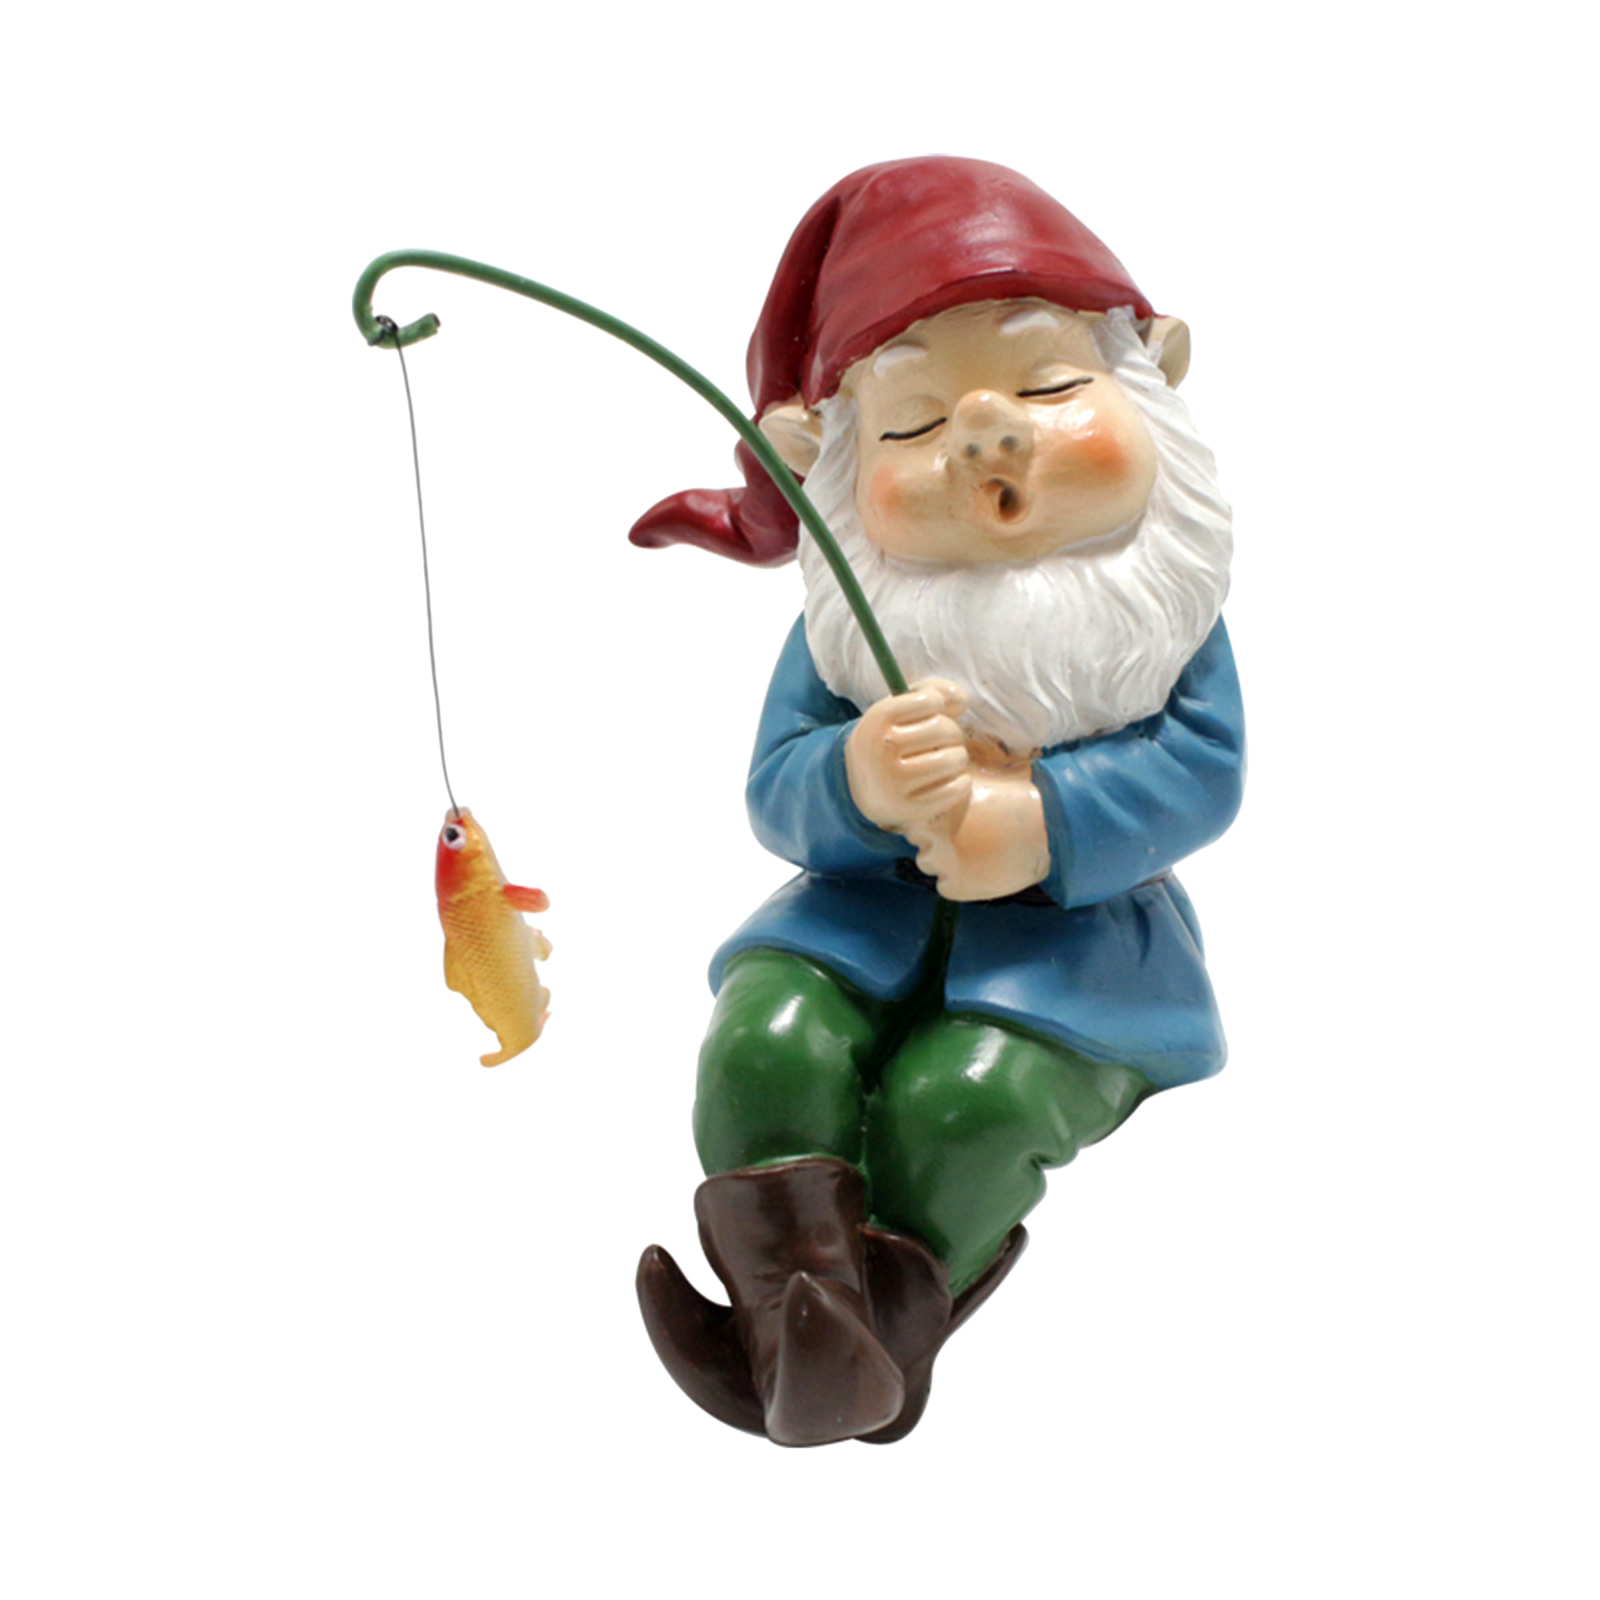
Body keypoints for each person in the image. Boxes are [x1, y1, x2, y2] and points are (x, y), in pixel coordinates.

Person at [630, 157, 1244, 1446]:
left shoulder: (1157, 612)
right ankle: (787, 1315)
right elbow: (777, 788)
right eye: (910, 426)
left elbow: (1201, 770)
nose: (984, 439)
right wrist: (853, 780)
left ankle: (875, 1338)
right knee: (763, 1043)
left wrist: (1046, 821)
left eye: (1051, 388)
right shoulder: (852, 628)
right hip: (853, 920)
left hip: (1082, 953)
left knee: (964, 1104)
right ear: (839, 468)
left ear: (1151, 382)